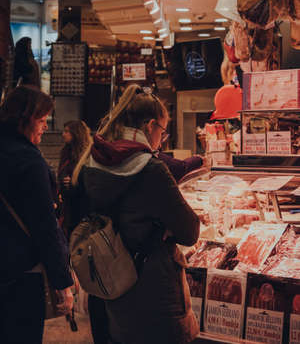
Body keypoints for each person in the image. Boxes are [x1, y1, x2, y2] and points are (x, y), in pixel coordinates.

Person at [72, 84, 200, 344]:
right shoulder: (152, 169)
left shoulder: (90, 163)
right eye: (163, 133)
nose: (161, 141)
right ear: (150, 125)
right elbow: (189, 232)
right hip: (154, 288)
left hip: (110, 281)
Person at [0, 85, 73, 344]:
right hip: (20, 276)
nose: (45, 126)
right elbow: (45, 227)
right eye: (41, 121)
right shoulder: (29, 162)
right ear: (26, 119)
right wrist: (62, 282)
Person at [57, 120, 92, 239]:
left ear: (76, 133)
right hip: (68, 203)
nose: (63, 134)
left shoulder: (86, 154)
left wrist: (73, 182)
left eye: (67, 131)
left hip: (80, 205)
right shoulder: (66, 152)